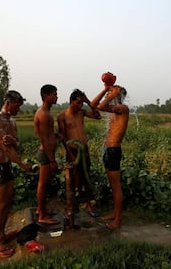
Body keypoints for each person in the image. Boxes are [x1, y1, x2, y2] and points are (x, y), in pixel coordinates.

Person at [0, 90, 32, 258]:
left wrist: (15, 142)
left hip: (7, 165)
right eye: (17, 105)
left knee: (7, 202)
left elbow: (15, 145)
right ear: (7, 103)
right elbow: (4, 147)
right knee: (0, 205)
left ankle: (2, 235)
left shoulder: (12, 122)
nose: (18, 109)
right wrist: (21, 164)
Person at [57, 89, 101, 227]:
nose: (80, 106)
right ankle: (72, 206)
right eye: (78, 103)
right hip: (72, 151)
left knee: (86, 177)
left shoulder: (81, 112)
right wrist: (69, 153)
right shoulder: (62, 116)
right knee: (73, 180)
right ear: (71, 102)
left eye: (82, 103)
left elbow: (97, 116)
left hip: (84, 150)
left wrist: (88, 101)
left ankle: (88, 205)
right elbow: (62, 137)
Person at [91, 74, 129, 230]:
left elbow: (100, 106)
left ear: (119, 95)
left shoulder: (122, 109)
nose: (109, 94)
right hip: (109, 149)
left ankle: (118, 219)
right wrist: (106, 89)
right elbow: (94, 104)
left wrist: (112, 94)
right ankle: (115, 213)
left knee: (116, 186)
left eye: (113, 92)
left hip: (114, 150)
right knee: (113, 186)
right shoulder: (114, 111)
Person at [34, 84, 61, 225]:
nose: (56, 96)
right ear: (46, 96)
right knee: (42, 184)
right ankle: (42, 215)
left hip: (48, 152)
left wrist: (55, 135)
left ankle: (41, 210)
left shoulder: (46, 112)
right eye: (54, 94)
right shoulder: (43, 114)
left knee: (45, 184)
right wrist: (52, 160)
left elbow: (42, 133)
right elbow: (43, 139)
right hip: (46, 154)